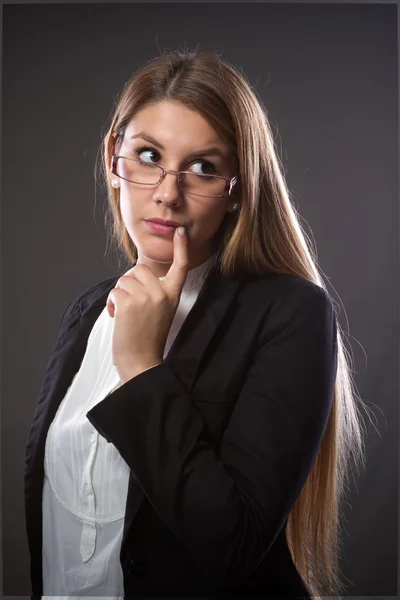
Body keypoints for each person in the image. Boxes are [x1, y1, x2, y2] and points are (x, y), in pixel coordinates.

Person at [24, 49, 368, 600]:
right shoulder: (86, 313)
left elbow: (231, 547)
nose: (167, 193)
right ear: (115, 158)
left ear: (237, 189)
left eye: (203, 167)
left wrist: (140, 367)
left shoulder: (289, 314)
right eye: (147, 154)